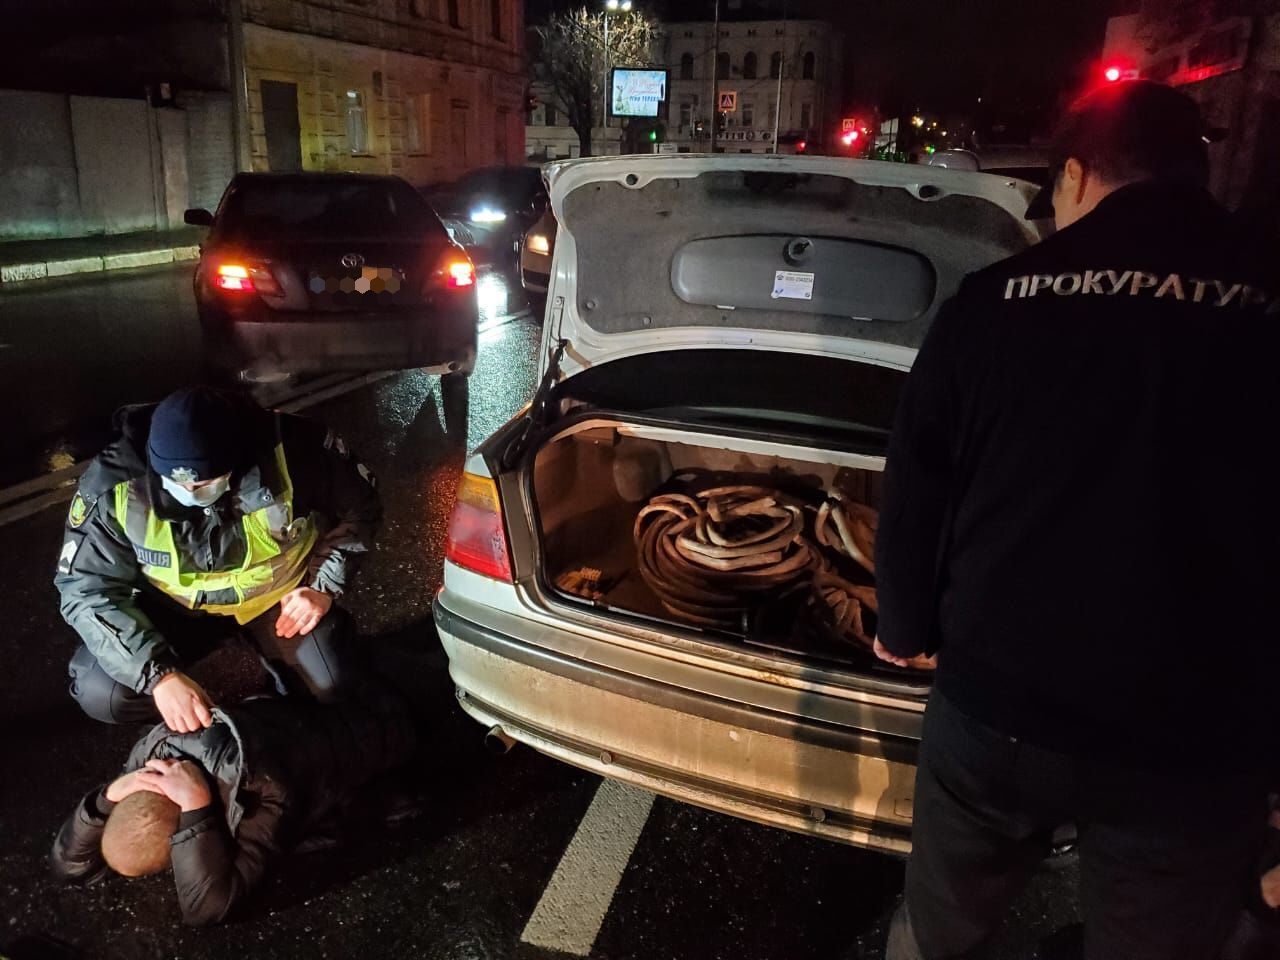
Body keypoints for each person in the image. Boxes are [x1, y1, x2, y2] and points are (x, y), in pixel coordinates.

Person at [874, 80, 1280, 959]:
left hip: (997, 700)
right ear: (1198, 173)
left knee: (943, 930)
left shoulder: (991, 302)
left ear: (1075, 174)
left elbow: (917, 480)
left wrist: (902, 624)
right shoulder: (1266, 295)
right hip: (1195, 732)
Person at [56, 386, 381, 729]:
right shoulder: (114, 485)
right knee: (103, 692)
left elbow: (362, 509)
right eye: (177, 483)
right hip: (177, 609)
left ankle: (282, 700)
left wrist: (322, 587)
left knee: (332, 683)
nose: (192, 494)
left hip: (278, 601)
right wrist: (159, 678)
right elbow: (85, 588)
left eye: (206, 483)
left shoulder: (294, 446)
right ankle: (189, 713)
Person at [49, 682, 417, 926]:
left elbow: (207, 907)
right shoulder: (150, 757)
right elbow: (68, 865)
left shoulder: (258, 791)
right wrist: (108, 794)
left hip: (366, 739)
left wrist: (197, 806)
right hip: (278, 717)